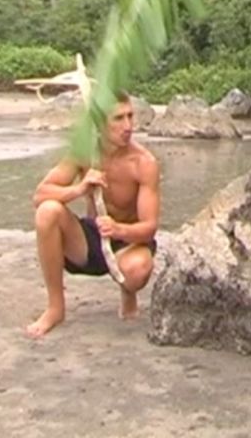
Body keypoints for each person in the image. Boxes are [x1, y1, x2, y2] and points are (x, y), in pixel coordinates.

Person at [25, 91, 160, 338]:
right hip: (92, 238)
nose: (128, 126)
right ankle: (56, 308)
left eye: (131, 116)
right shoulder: (85, 152)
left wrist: (118, 229)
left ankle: (127, 292)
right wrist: (79, 188)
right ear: (100, 124)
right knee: (47, 212)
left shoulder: (144, 162)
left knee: (138, 269)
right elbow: (40, 195)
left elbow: (149, 227)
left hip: (129, 241)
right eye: (118, 118)